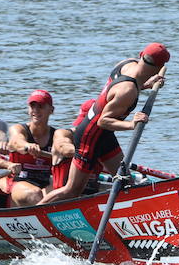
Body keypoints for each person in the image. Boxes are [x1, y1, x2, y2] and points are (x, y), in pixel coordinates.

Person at [40, 43, 168, 205]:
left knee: (125, 181)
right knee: (72, 189)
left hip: (104, 135)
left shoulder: (127, 64)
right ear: (159, 67)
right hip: (90, 136)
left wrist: (146, 85)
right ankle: (33, 215)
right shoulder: (128, 91)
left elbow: (116, 91)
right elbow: (104, 120)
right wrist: (132, 124)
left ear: (141, 55)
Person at [4, 90, 58, 207]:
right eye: (32, 106)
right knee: (35, 194)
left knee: (65, 191)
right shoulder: (18, 129)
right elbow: (15, 141)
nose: (36, 110)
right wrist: (27, 145)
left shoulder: (56, 135)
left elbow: (64, 144)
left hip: (45, 182)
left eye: (41, 106)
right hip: (19, 181)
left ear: (51, 110)